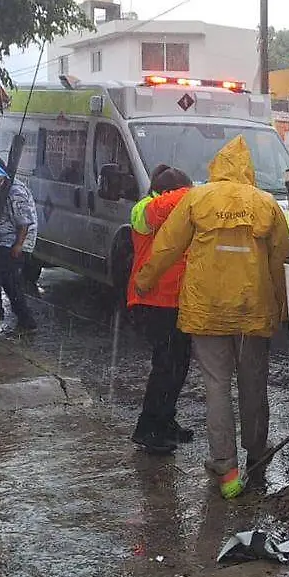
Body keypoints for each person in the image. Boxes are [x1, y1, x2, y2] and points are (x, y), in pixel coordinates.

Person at [135, 136, 289, 499]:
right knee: (254, 384)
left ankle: (226, 465)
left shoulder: (197, 199)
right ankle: (256, 454)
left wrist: (145, 280)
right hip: (253, 309)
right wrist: (284, 307)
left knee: (217, 385)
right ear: (248, 170)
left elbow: (168, 245)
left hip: (206, 309)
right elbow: (281, 260)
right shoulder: (266, 204)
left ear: (217, 168)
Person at [128, 165, 195, 453]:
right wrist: (196, 195)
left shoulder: (175, 211)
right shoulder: (144, 209)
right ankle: (148, 428)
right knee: (165, 367)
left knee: (178, 366)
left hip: (176, 301)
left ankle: (166, 420)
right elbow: (163, 207)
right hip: (154, 300)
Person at [0, 171, 38, 330]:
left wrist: (19, 244)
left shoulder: (14, 191)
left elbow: (24, 221)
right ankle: (26, 319)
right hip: (3, 241)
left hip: (12, 242)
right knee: (11, 283)